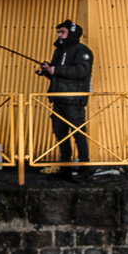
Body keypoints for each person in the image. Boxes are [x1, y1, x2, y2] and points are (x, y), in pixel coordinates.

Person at [37, 19, 93, 175]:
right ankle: (65, 166)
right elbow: (58, 73)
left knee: (79, 134)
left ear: (72, 33)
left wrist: (57, 70)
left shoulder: (83, 51)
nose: (59, 35)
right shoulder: (59, 51)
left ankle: (85, 167)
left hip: (74, 100)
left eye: (62, 32)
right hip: (58, 99)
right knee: (60, 133)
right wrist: (48, 71)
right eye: (58, 32)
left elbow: (81, 71)